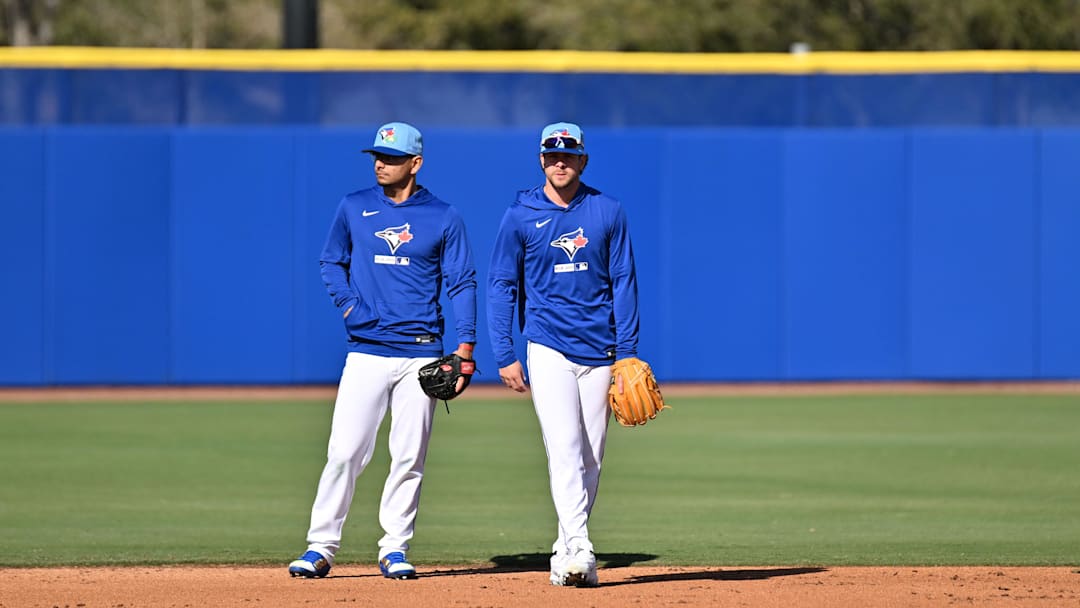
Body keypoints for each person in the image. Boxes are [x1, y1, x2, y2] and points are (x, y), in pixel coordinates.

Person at [289, 122, 477, 581]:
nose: (380, 163)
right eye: (377, 155)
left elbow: (462, 282)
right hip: (368, 351)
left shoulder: (443, 216)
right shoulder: (354, 207)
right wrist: (349, 305)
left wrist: (465, 346)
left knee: (409, 456)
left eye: (391, 157)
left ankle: (394, 548)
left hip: (422, 352)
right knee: (345, 451)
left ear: (415, 163)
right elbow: (330, 260)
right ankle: (321, 546)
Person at [487, 122, 641, 588]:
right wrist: (504, 352)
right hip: (547, 345)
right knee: (565, 448)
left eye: (569, 155)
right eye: (552, 155)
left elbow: (624, 284)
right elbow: (501, 285)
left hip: (600, 349)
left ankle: (564, 551)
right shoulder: (520, 215)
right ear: (541, 160)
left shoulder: (606, 211)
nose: (560, 162)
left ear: (583, 161)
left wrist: (628, 356)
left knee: (591, 457)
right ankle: (581, 548)